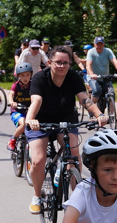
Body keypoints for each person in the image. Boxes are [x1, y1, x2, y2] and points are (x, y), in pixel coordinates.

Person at [24, 46, 108, 214]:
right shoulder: (40, 78)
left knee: (74, 155)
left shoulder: (73, 78)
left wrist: (99, 115)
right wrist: (31, 119)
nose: (62, 66)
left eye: (66, 63)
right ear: (49, 63)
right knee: (38, 160)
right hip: (41, 122)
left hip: (66, 120)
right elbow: (36, 101)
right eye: (58, 62)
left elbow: (84, 100)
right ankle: (37, 196)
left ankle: (77, 197)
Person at [85, 36, 117, 111]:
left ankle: (112, 114)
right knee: (97, 91)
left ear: (103, 44)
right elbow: (88, 65)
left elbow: (114, 61)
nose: (99, 46)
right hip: (94, 77)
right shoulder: (91, 52)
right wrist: (92, 74)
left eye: (101, 44)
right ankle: (91, 109)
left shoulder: (108, 51)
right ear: (94, 44)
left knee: (111, 93)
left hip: (105, 76)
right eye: (97, 44)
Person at [7, 62, 33, 149]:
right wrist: (12, 102)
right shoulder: (16, 85)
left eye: (27, 75)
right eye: (22, 75)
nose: (25, 78)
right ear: (18, 76)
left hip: (30, 111)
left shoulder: (33, 85)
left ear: (31, 75)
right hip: (18, 111)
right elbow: (11, 94)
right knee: (24, 124)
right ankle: (12, 140)